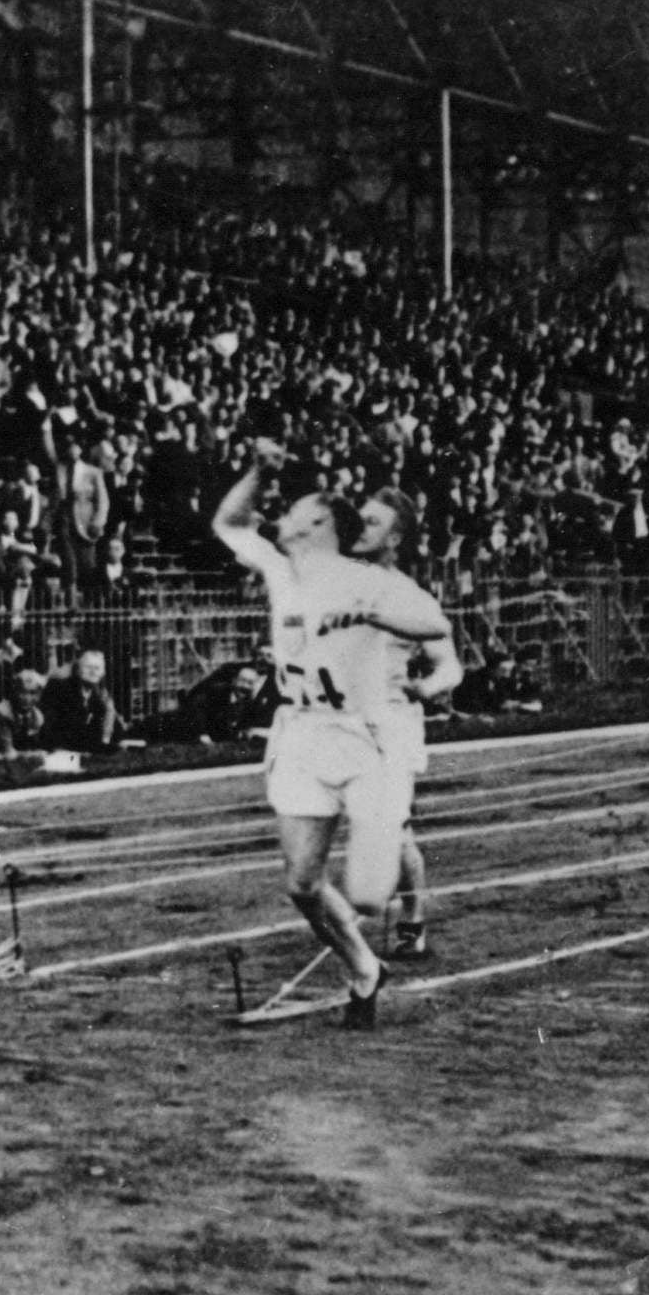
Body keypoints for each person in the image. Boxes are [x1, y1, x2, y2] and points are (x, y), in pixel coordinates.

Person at [213, 441, 453, 1029]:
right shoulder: (280, 569)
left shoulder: (367, 580)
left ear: (319, 523)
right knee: (300, 883)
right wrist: (260, 470)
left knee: (370, 890)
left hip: (360, 736)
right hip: (299, 734)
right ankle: (365, 969)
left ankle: (396, 907)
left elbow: (434, 623)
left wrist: (370, 615)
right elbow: (228, 522)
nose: (283, 516)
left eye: (295, 509)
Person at [353, 486, 465, 964]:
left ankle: (412, 921)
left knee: (390, 825)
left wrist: (428, 688)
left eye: (372, 523)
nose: (359, 529)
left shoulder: (409, 596)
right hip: (341, 720)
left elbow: (449, 665)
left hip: (391, 721)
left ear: (396, 537)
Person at [40, 647, 126, 755]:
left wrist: (109, 711)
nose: (93, 671)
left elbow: (117, 732)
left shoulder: (99, 695)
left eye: (97, 668)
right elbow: (61, 730)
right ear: (78, 669)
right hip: (61, 753)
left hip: (84, 753)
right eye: (88, 667)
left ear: (102, 673)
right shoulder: (61, 689)